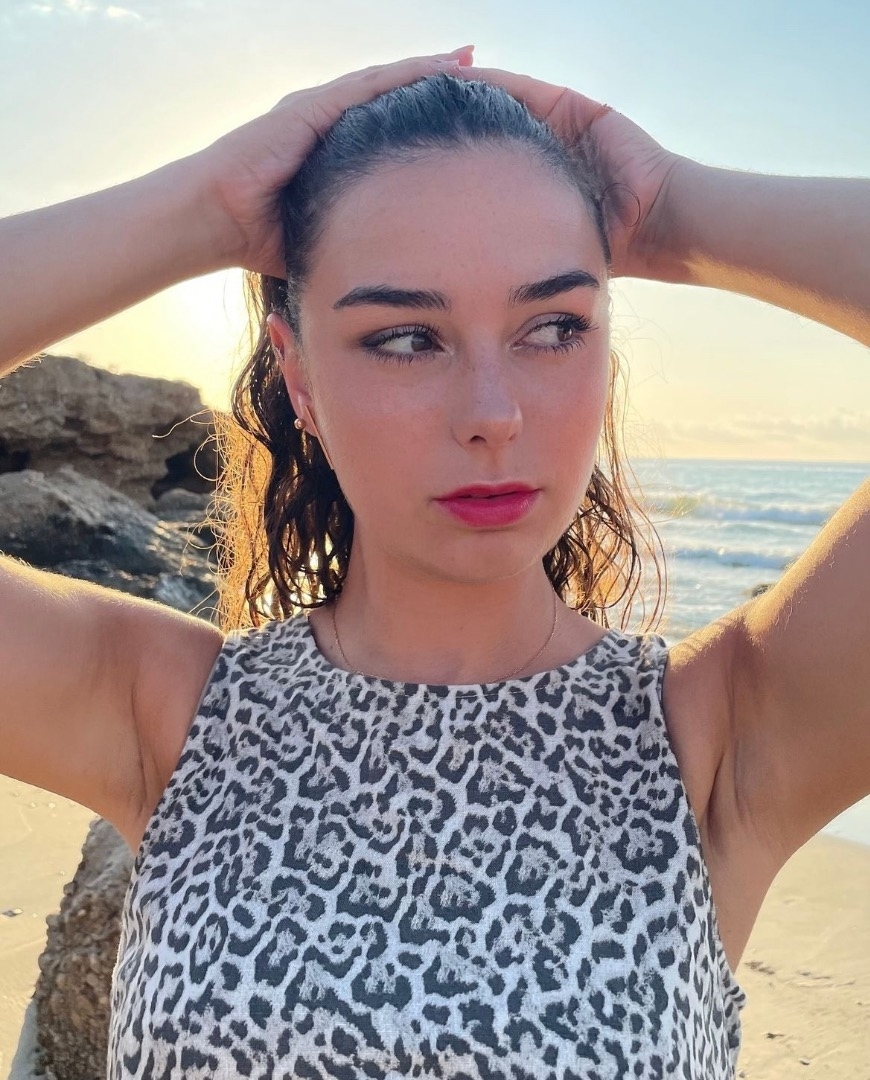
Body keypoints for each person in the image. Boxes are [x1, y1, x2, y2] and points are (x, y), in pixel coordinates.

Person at [1, 44, 868, 1080]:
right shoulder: (167, 715)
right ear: (299, 377)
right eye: (407, 338)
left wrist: (678, 209)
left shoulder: (718, 740)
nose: (493, 415)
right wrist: (206, 209)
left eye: (554, 326)